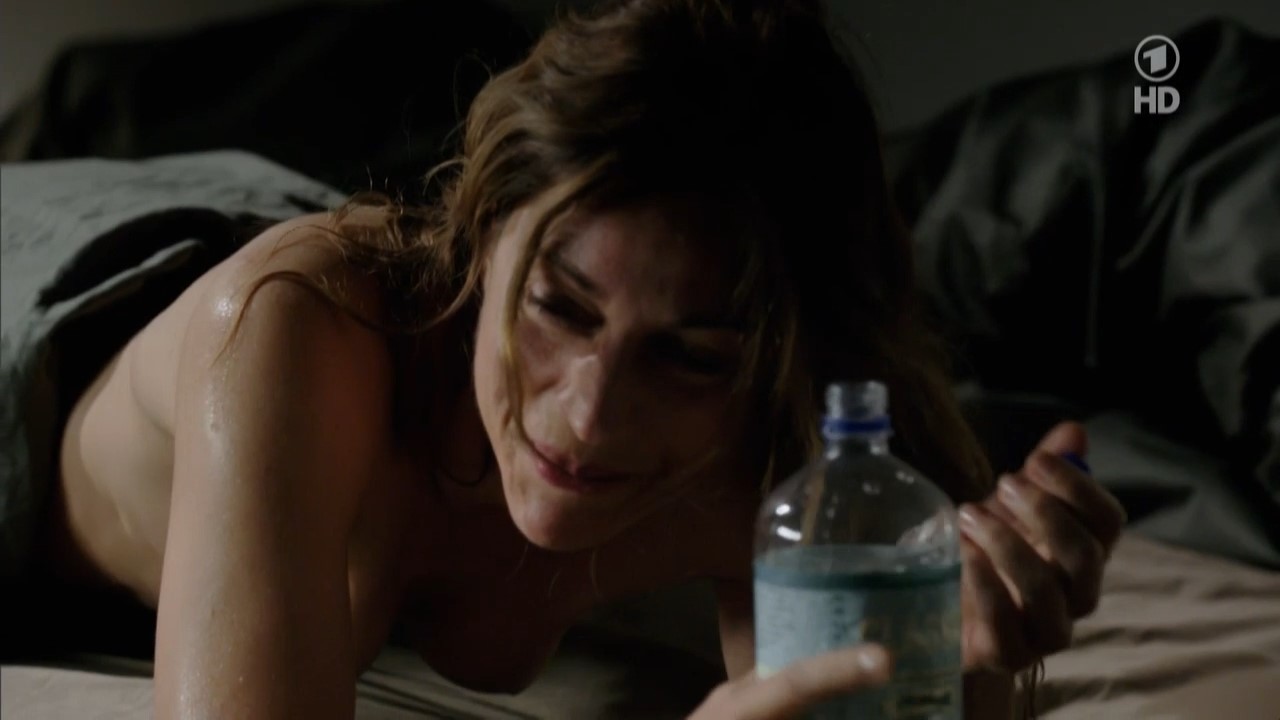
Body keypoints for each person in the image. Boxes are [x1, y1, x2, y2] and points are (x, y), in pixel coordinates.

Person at [31, 0, 1126, 717]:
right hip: (54, 332)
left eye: (689, 359)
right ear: (480, 233)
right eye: (559, 308)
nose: (590, 416)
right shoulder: (295, 338)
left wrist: (962, 653)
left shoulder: (810, 443)